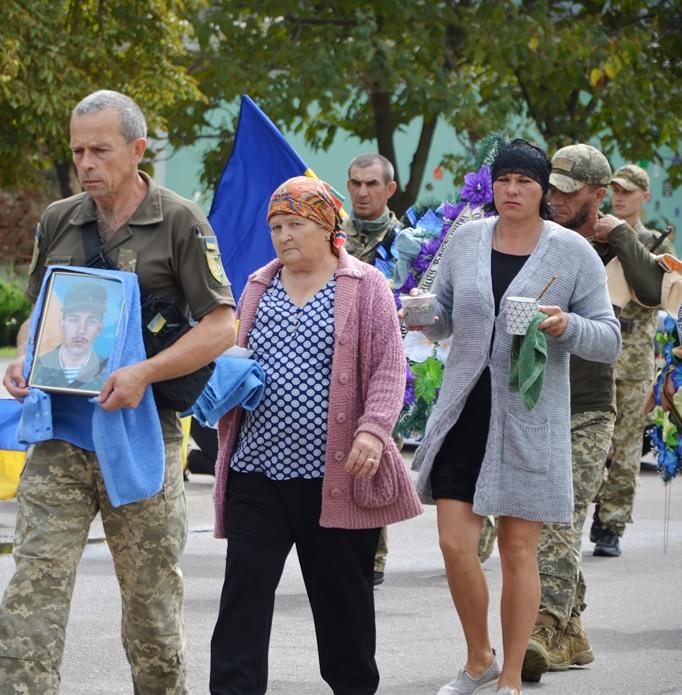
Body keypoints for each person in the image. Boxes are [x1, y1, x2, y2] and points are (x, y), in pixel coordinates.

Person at [0, 89, 235, 693]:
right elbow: (38, 315)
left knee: (150, 606)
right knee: (32, 590)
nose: (87, 163)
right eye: (78, 152)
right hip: (61, 441)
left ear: (137, 148)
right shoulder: (58, 219)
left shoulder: (179, 222)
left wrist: (143, 372)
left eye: (100, 149)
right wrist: (22, 358)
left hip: (140, 439)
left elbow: (222, 326)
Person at [408, 139, 621, 695]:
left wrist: (564, 326)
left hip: (529, 419)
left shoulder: (572, 253)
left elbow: (609, 340)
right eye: (503, 180)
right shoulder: (468, 239)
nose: (512, 190)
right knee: (455, 545)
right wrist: (421, 315)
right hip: (464, 412)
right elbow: (444, 317)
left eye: (525, 181)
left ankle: (509, 679)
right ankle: (478, 656)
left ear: (543, 190)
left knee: (518, 550)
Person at [209, 176, 421, 695]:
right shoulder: (258, 283)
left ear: (327, 226)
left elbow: (390, 370)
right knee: (244, 596)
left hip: (336, 477)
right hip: (257, 470)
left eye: (295, 224)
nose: (283, 236)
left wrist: (373, 432)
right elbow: (236, 356)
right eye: (276, 226)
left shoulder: (365, 285)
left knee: (342, 606)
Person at [522, 145, 666, 682]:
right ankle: (573, 629)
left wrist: (621, 236)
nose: (555, 198)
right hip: (531, 398)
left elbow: (653, 291)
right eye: (551, 187)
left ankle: (544, 626)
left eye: (567, 190)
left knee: (562, 518)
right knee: (537, 522)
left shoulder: (630, 242)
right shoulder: (533, 235)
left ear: (598, 194)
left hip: (590, 401)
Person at [591, 164, 672, 557]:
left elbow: (660, 293)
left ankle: (612, 523)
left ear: (645, 196)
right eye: (615, 191)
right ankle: (589, 503)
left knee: (625, 448)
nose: (619, 197)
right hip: (596, 356)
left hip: (635, 360)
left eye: (627, 191)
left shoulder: (658, 244)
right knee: (592, 441)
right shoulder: (591, 235)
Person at [343, 152, 403, 586]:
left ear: (389, 189)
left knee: (377, 450)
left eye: (371, 184)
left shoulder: (412, 243)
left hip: (392, 361)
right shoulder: (331, 236)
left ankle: (373, 551)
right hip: (340, 360)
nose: (362, 192)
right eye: (355, 184)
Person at [30, 281, 109, 391]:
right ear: (62, 324)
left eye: (91, 321)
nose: (81, 330)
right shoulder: (37, 367)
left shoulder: (109, 371)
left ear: (99, 328)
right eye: (74, 320)